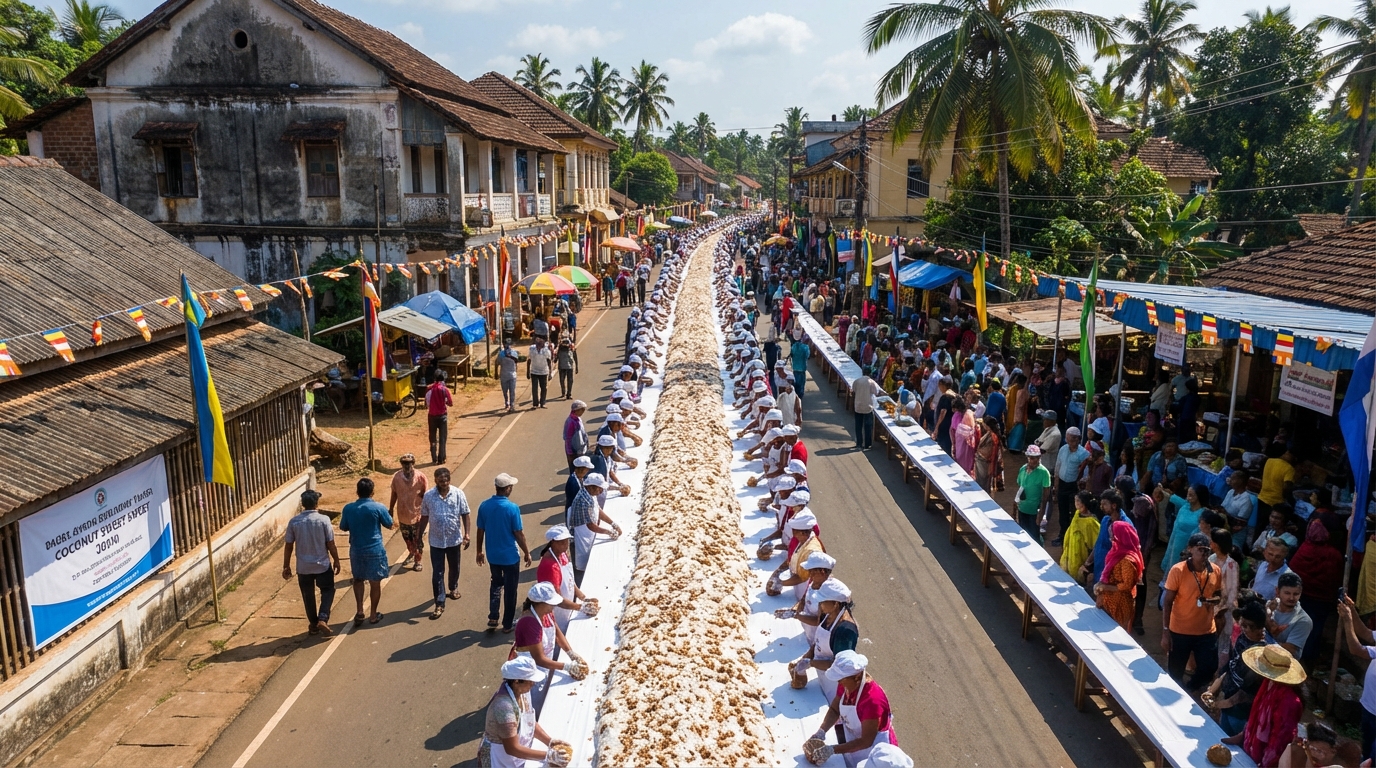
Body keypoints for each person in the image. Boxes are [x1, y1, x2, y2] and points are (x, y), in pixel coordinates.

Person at [804, 651, 899, 767]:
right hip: (855, 740)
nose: (838, 682)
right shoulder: (848, 682)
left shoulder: (872, 702)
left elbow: (866, 741)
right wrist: (821, 731)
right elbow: (835, 708)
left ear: (857, 677)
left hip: (873, 750)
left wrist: (832, 750)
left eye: (840, 680)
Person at [477, 655, 571, 768]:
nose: (533, 684)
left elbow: (529, 722)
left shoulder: (521, 692)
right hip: (501, 757)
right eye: (530, 681)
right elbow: (512, 749)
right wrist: (548, 755)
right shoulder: (504, 708)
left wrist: (550, 742)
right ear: (516, 681)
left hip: (517, 753)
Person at [1222, 645, 1305, 767]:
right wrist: (1242, 735)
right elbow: (1256, 715)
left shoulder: (1290, 702)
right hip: (1252, 751)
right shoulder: (1268, 683)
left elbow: (1279, 743)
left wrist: (1264, 764)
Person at [509, 582, 587, 709]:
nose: (554, 606)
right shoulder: (529, 623)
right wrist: (567, 666)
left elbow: (556, 634)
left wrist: (571, 654)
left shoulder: (546, 613)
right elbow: (538, 658)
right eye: (551, 603)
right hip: (530, 672)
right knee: (533, 705)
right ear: (540, 603)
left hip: (545, 664)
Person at [1162, 532, 1222, 690]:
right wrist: (1166, 631)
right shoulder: (1178, 570)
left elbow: (1218, 595)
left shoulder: (1215, 570)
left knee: (1209, 667)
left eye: (1207, 550)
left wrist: (1212, 601)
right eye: (1200, 549)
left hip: (1206, 631)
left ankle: (1190, 688)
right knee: (1175, 671)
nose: (1204, 554)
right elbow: (1167, 602)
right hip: (1180, 630)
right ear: (1190, 549)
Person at [476, 473, 532, 633]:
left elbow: (480, 530)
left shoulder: (484, 506)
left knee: (495, 583)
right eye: (511, 487)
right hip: (510, 557)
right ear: (507, 488)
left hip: (493, 556)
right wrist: (526, 552)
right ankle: (507, 624)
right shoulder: (512, 508)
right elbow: (518, 533)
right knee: (510, 590)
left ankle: (493, 616)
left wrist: (479, 551)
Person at [1204, 600, 1268, 736]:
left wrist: (1216, 705)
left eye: (1247, 626)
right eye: (1242, 623)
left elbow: (1243, 695)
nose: (1242, 628)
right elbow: (1230, 667)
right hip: (1227, 705)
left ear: (1260, 629)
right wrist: (1212, 691)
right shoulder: (1242, 639)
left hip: (1241, 714)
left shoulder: (1261, 656)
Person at [282, 489, 340, 636]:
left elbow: (288, 545)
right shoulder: (324, 520)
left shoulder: (294, 522)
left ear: (303, 504)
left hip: (303, 567)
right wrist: (337, 560)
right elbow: (330, 543)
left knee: (308, 595)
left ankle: (313, 624)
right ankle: (323, 618)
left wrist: (286, 565)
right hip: (322, 564)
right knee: (328, 590)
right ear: (316, 503)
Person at [1286, 519, 1342, 663]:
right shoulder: (1333, 554)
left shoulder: (1305, 547)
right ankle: (1307, 658)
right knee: (1314, 629)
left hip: (1302, 596)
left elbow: (1293, 571)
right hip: (1321, 600)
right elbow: (1335, 578)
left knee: (1298, 625)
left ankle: (1295, 653)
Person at [340, 478, 394, 625]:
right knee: (375, 583)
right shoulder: (378, 507)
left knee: (358, 580)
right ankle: (373, 615)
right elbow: (390, 524)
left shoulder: (348, 508)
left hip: (356, 550)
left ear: (357, 492)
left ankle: (359, 611)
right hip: (375, 549)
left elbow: (343, 527)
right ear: (372, 492)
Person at [792, 579, 858, 699]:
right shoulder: (828, 614)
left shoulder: (845, 630)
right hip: (822, 674)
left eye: (823, 601)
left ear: (835, 604)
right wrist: (806, 658)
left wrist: (810, 663)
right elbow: (819, 641)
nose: (820, 604)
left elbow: (838, 665)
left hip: (835, 685)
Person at [422, 467, 470, 619]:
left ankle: (453, 587)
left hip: (454, 539)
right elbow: (424, 516)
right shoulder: (428, 496)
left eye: (446, 480)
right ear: (435, 480)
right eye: (441, 480)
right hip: (436, 541)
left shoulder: (458, 494)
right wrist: (418, 538)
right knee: (438, 572)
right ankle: (439, 602)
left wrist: (467, 534)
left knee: (454, 567)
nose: (444, 482)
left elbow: (465, 514)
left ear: (450, 479)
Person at [1337, 595, 1376, 761]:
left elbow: (1356, 649)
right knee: (1367, 752)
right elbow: (1366, 634)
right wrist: (1352, 610)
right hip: (1369, 706)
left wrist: (1347, 620)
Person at [566, 472, 620, 585]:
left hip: (590, 533)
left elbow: (597, 510)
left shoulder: (590, 494)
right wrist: (608, 532)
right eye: (599, 489)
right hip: (583, 536)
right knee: (584, 569)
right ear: (591, 487)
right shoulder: (582, 501)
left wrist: (613, 523)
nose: (601, 491)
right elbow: (590, 525)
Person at [537, 526, 594, 631]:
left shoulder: (562, 554)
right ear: (553, 543)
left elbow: (570, 579)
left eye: (567, 541)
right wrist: (580, 607)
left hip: (568, 605)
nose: (566, 545)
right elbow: (556, 599)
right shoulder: (550, 566)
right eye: (562, 542)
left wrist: (582, 597)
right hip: (558, 611)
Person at [1094, 520, 1143, 632]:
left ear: (1121, 537)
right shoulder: (1116, 552)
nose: (1111, 539)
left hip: (1120, 604)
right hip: (1109, 601)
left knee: (1116, 635)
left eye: (1113, 536)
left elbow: (1126, 586)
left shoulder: (1127, 561)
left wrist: (1105, 587)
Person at [389, 454, 428, 571]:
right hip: (403, 515)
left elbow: (426, 495)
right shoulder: (397, 477)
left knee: (417, 539)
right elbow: (394, 494)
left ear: (413, 463)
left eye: (409, 463)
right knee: (407, 538)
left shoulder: (421, 477)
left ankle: (418, 560)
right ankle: (412, 552)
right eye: (404, 463)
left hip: (417, 515)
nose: (407, 465)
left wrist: (427, 512)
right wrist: (390, 508)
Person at [1051, 427, 1089, 547]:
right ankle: (1063, 536)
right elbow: (1058, 468)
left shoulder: (1083, 454)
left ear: (1078, 439)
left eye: (1072, 439)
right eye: (1067, 439)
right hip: (1062, 484)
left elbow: (1087, 473)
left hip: (1074, 487)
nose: (1069, 442)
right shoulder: (1063, 449)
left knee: (1074, 513)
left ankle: (1073, 538)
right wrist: (1056, 487)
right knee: (1062, 512)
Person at [1266, 572, 1313, 657]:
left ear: (1300, 593)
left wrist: (1260, 644)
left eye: (1296, 594)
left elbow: (1289, 649)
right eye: (1287, 593)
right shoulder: (1269, 607)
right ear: (1277, 591)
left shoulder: (1303, 620)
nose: (1291, 598)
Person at [1060, 490, 1101, 581]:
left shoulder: (1091, 522)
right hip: (1071, 552)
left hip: (1083, 555)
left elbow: (1095, 543)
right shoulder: (1077, 514)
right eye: (1075, 500)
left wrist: (1088, 563)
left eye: (1078, 501)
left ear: (1085, 502)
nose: (1076, 503)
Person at [1015, 446, 1052, 543]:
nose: (1031, 460)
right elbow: (1020, 488)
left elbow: (1045, 496)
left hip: (1034, 512)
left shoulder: (1044, 473)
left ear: (1039, 458)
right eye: (1029, 457)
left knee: (1034, 538)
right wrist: (1015, 508)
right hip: (1022, 509)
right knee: (1023, 535)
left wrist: (1041, 513)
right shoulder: (1023, 469)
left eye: (1033, 458)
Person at [1258, 444, 1296, 517]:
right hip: (1276, 503)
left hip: (1261, 498)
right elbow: (1286, 488)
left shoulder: (1268, 461)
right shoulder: (1289, 469)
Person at [424, 370, 453, 464]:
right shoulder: (444, 389)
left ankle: (434, 458)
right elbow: (450, 403)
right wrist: (445, 402)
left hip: (432, 416)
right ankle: (441, 458)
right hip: (442, 416)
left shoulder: (429, 389)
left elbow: (426, 403)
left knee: (432, 438)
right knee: (442, 438)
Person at [853, 367, 880, 450]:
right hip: (868, 407)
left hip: (858, 406)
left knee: (858, 426)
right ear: (870, 374)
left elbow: (854, 390)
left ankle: (859, 443)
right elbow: (876, 392)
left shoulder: (857, 381)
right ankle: (867, 445)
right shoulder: (871, 382)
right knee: (868, 426)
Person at [974, 415, 1003, 492]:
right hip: (983, 461)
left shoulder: (992, 437)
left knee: (983, 482)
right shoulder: (991, 434)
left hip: (985, 463)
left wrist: (978, 452)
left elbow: (988, 452)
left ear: (987, 425)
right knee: (983, 482)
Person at [951, 399, 977, 473]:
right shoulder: (959, 415)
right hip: (962, 442)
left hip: (966, 442)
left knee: (964, 458)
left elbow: (971, 428)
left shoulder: (967, 414)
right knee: (961, 458)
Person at [526, 337, 553, 409]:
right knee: (534, 388)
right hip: (534, 371)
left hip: (544, 371)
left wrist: (550, 373)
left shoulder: (546, 351)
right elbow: (529, 360)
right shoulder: (532, 349)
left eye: (540, 346)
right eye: (538, 345)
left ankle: (542, 403)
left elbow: (549, 362)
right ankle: (535, 403)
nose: (539, 347)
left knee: (544, 388)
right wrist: (528, 371)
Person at [563, 401, 589, 472]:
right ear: (576, 410)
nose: (583, 411)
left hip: (580, 450)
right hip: (573, 452)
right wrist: (570, 453)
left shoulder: (578, 419)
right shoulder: (570, 422)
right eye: (582, 410)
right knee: (575, 470)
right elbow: (567, 438)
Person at [497, 342, 521, 413]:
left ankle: (511, 404)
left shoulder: (513, 353)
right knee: (507, 391)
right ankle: (507, 402)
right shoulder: (501, 354)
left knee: (511, 391)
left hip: (510, 375)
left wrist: (515, 372)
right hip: (505, 375)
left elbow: (516, 363)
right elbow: (497, 363)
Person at [790, 336, 811, 401]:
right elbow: (807, 356)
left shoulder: (793, 346)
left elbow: (792, 354)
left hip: (795, 367)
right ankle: (800, 395)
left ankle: (796, 394)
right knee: (802, 382)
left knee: (796, 381)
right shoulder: (805, 347)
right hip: (802, 367)